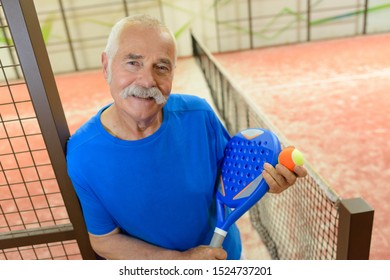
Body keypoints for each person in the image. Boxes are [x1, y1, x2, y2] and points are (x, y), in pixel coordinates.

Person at [66, 14, 307, 260]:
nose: (148, 80)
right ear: (106, 65)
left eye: (161, 67)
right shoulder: (82, 156)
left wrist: (268, 182)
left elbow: (233, 178)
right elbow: (105, 241)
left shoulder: (199, 116)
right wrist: (180, 262)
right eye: (133, 63)